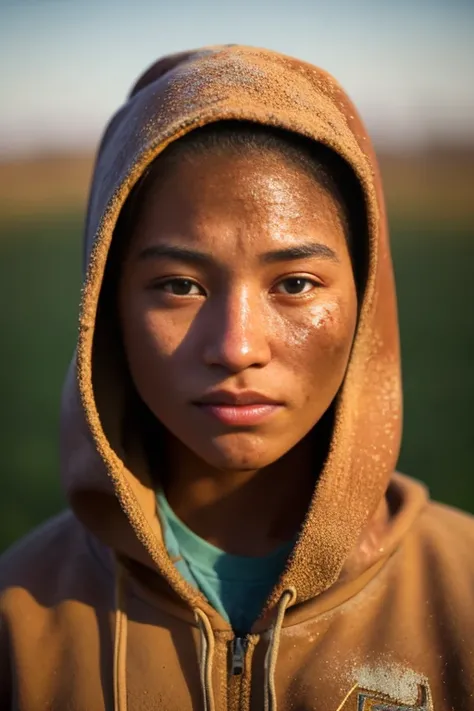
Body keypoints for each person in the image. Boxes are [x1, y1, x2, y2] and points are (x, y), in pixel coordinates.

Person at [1, 45, 473, 711]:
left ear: (367, 300)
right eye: (180, 285)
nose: (237, 346)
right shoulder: (20, 612)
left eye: (296, 283)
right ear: (107, 307)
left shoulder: (461, 590)